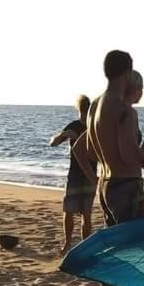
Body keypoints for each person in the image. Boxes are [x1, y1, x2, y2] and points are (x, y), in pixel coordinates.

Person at [70, 50, 144, 286]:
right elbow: (129, 155)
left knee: (112, 251)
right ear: (127, 72)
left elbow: (80, 149)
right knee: (129, 252)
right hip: (127, 186)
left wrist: (96, 180)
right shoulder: (123, 109)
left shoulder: (95, 105)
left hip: (107, 186)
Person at [49, 95, 96, 254]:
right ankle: (68, 243)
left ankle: (84, 246)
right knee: (69, 210)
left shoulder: (95, 127)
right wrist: (64, 135)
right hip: (76, 174)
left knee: (86, 213)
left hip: (90, 173)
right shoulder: (74, 126)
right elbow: (53, 143)